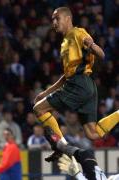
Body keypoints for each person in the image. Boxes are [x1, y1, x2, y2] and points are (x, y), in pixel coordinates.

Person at [33, 6, 119, 157]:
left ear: (67, 19)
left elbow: (101, 53)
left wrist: (92, 45)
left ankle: (60, 146)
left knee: (39, 109)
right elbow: (66, 75)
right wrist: (46, 92)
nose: (54, 22)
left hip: (78, 84)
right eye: (52, 19)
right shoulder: (64, 43)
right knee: (93, 134)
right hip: (87, 85)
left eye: (57, 18)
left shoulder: (77, 33)